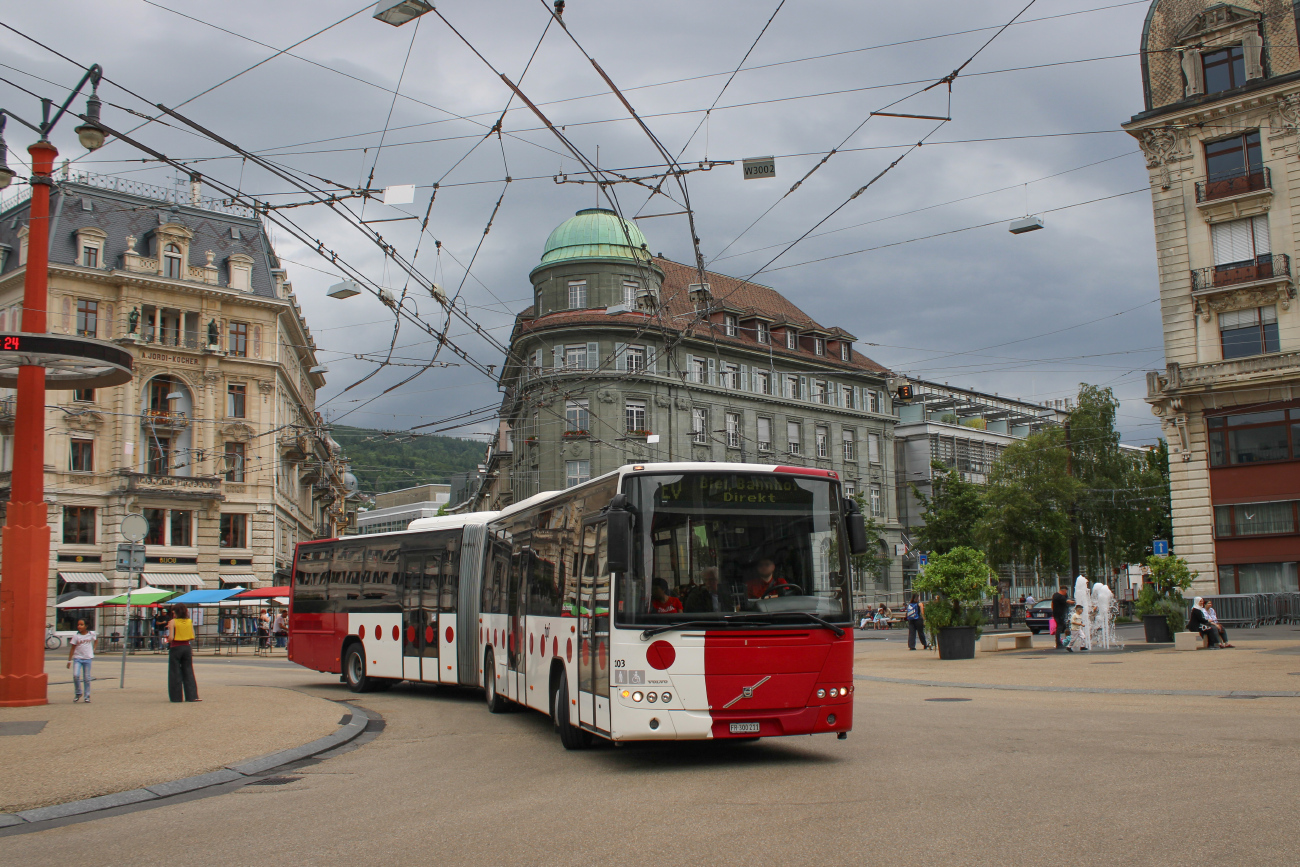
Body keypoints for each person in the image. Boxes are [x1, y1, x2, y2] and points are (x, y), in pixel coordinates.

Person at [166, 603, 202, 702]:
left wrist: (167, 639)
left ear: (176, 612)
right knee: (188, 671)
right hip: (186, 647)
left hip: (176, 647)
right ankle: (192, 696)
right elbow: (193, 636)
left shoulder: (173, 622)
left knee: (175, 672)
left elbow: (171, 638)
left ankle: (176, 697)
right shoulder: (189, 621)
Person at [66, 618, 96, 703]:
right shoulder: (76, 636)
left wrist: (94, 649)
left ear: (86, 626)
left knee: (87, 678)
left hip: (87, 658)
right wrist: (69, 661)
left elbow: (96, 639)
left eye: (81, 625)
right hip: (78, 658)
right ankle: (78, 692)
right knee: (76, 675)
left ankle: (87, 696)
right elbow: (72, 648)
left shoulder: (91, 634)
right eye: (78, 625)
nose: (79, 626)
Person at [1051, 585, 1070, 650]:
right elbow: (1066, 601)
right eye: (1066, 591)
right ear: (1063, 590)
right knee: (1059, 627)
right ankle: (1058, 643)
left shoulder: (1055, 595)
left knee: (1062, 627)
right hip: (1059, 614)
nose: (1066, 593)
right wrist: (1074, 602)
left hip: (1057, 614)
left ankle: (1061, 641)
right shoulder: (1059, 597)